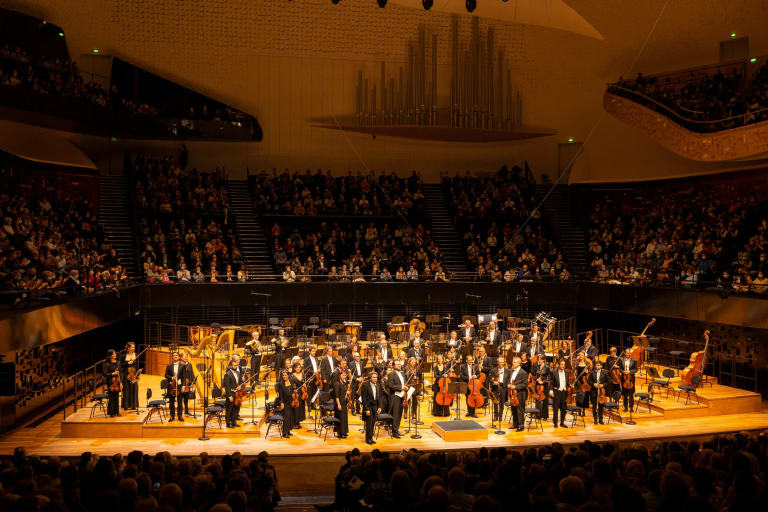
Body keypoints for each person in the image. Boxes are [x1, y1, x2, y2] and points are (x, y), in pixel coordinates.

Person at [387, 359, 406, 438]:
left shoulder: (402, 373)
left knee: (399, 414)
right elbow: (390, 386)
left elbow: (403, 384)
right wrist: (401, 387)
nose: (399, 365)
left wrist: (406, 387)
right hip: (395, 396)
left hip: (402, 396)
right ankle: (394, 432)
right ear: (393, 366)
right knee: (395, 415)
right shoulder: (391, 374)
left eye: (399, 364)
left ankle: (397, 430)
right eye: (397, 364)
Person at [508, 356, 528, 431]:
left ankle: (521, 426)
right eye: (513, 362)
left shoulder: (523, 373)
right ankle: (515, 424)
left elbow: (525, 384)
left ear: (519, 364)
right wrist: (509, 384)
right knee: (513, 409)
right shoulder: (511, 371)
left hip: (519, 394)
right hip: (512, 393)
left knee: (519, 410)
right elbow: (510, 380)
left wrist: (515, 387)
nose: (513, 363)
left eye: (515, 362)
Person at [164, 351, 185, 421]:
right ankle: (172, 416)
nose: (175, 356)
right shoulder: (169, 365)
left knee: (179, 402)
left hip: (179, 385)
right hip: (171, 386)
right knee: (171, 402)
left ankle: (180, 416)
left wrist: (183, 386)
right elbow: (166, 375)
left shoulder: (182, 365)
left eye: (176, 355)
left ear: (179, 357)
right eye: (174, 355)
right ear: (173, 357)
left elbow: (184, 377)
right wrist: (171, 377)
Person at [361, 371, 381, 445]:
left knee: (373, 423)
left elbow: (379, 397)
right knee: (369, 423)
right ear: (370, 378)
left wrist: (379, 407)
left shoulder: (378, 385)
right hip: (368, 406)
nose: (376, 379)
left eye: (376, 377)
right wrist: (366, 409)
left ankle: (371, 438)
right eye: (374, 377)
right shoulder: (365, 385)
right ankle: (367, 439)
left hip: (375, 406)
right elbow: (364, 399)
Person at [588, 360, 609, 424]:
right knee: (594, 406)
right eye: (597, 365)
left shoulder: (605, 373)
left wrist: (603, 385)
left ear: (601, 366)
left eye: (599, 365)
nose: (598, 366)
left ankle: (600, 419)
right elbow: (589, 381)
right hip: (594, 391)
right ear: (595, 366)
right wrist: (593, 384)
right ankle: (595, 419)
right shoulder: (592, 373)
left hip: (601, 392)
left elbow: (608, 382)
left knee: (601, 406)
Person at [551, 359, 570, 428]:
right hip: (557, 391)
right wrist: (551, 391)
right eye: (562, 364)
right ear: (558, 365)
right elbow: (551, 382)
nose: (563, 366)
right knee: (555, 408)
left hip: (564, 392)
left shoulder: (567, 372)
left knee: (563, 408)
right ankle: (555, 422)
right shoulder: (554, 372)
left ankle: (562, 422)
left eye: (564, 364)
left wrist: (570, 385)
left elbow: (567, 382)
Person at [120, 342, 139, 411]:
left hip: (133, 374)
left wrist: (137, 375)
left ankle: (134, 405)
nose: (134, 348)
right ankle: (126, 406)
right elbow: (121, 365)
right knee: (126, 390)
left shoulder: (136, 355)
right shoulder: (123, 355)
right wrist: (127, 363)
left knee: (134, 389)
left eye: (134, 347)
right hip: (126, 374)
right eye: (132, 347)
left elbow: (137, 365)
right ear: (128, 348)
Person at [531, 355, 551, 421]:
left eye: (540, 359)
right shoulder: (537, 367)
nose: (539, 361)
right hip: (537, 385)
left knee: (544, 400)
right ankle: (537, 414)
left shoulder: (547, 367)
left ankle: (544, 416)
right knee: (538, 399)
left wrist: (543, 381)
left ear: (543, 360)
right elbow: (533, 375)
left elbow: (549, 377)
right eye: (538, 359)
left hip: (544, 385)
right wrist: (536, 379)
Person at [223, 358, 241, 428]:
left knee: (236, 408)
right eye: (234, 366)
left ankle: (234, 422)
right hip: (231, 394)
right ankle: (228, 423)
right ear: (230, 366)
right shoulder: (227, 374)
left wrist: (239, 387)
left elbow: (239, 383)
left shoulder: (238, 373)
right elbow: (226, 386)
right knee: (229, 409)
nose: (235, 367)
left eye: (236, 366)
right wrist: (229, 396)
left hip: (237, 394)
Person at [489, 357, 508, 422]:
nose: (502, 363)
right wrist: (493, 382)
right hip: (495, 387)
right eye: (501, 362)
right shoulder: (493, 370)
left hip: (503, 387)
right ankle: (495, 416)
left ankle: (500, 416)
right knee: (495, 402)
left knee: (502, 402)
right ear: (498, 363)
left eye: (503, 362)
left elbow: (509, 379)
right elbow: (490, 378)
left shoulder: (507, 371)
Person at [275, 370, 294, 438]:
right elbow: (281, 395)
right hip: (285, 402)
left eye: (285, 375)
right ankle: (284, 432)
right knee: (286, 417)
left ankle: (288, 431)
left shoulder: (291, 382)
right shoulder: (281, 384)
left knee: (290, 416)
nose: (284, 376)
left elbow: (292, 390)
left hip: (291, 401)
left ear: (288, 375)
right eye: (283, 375)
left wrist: (294, 391)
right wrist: (281, 402)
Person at [103, 349, 121, 417]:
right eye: (113, 354)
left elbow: (120, 374)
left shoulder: (118, 363)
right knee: (111, 398)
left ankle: (117, 412)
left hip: (117, 382)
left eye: (115, 354)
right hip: (110, 382)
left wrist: (121, 383)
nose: (115, 355)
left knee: (116, 397)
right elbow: (105, 374)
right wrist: (113, 373)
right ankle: (111, 413)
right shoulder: (107, 364)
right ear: (110, 356)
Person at [333, 369, 350, 438]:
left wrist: (348, 393)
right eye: (343, 375)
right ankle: (340, 433)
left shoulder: (344, 383)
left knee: (344, 418)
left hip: (344, 402)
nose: (344, 376)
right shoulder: (336, 383)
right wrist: (338, 404)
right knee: (340, 418)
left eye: (345, 375)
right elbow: (336, 395)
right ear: (339, 375)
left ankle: (344, 431)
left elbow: (344, 392)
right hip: (339, 403)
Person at [290, 362, 306, 428]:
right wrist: (294, 389)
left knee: (300, 407)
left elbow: (303, 383)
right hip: (295, 393)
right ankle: (294, 423)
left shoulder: (302, 374)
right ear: (294, 368)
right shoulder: (292, 375)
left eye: (299, 367)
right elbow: (291, 385)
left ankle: (298, 421)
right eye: (297, 367)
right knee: (296, 408)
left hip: (301, 392)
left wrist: (305, 385)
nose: (298, 369)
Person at [180, 352, 195, 416]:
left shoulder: (189, 364)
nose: (186, 358)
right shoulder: (179, 365)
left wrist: (192, 382)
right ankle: (180, 411)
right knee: (180, 398)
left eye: (186, 357)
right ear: (181, 358)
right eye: (185, 357)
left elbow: (191, 373)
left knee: (186, 398)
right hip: (181, 384)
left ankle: (186, 410)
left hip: (188, 383)